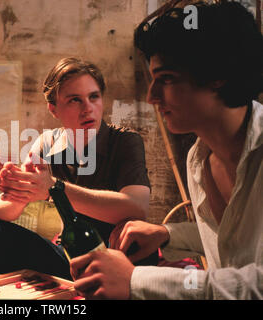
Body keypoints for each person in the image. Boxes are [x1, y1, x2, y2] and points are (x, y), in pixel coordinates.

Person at [70, 1, 263, 299]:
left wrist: (136, 281)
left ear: (218, 74)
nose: (151, 96)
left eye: (167, 79)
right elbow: (235, 242)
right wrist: (167, 233)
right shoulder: (199, 159)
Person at [0, 57, 157, 281]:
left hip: (119, 257)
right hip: (69, 257)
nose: (88, 108)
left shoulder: (125, 141)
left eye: (93, 97)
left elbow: (136, 207)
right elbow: (3, 212)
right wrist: (16, 187)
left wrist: (53, 188)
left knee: (141, 248)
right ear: (54, 109)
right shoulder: (47, 142)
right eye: (75, 100)